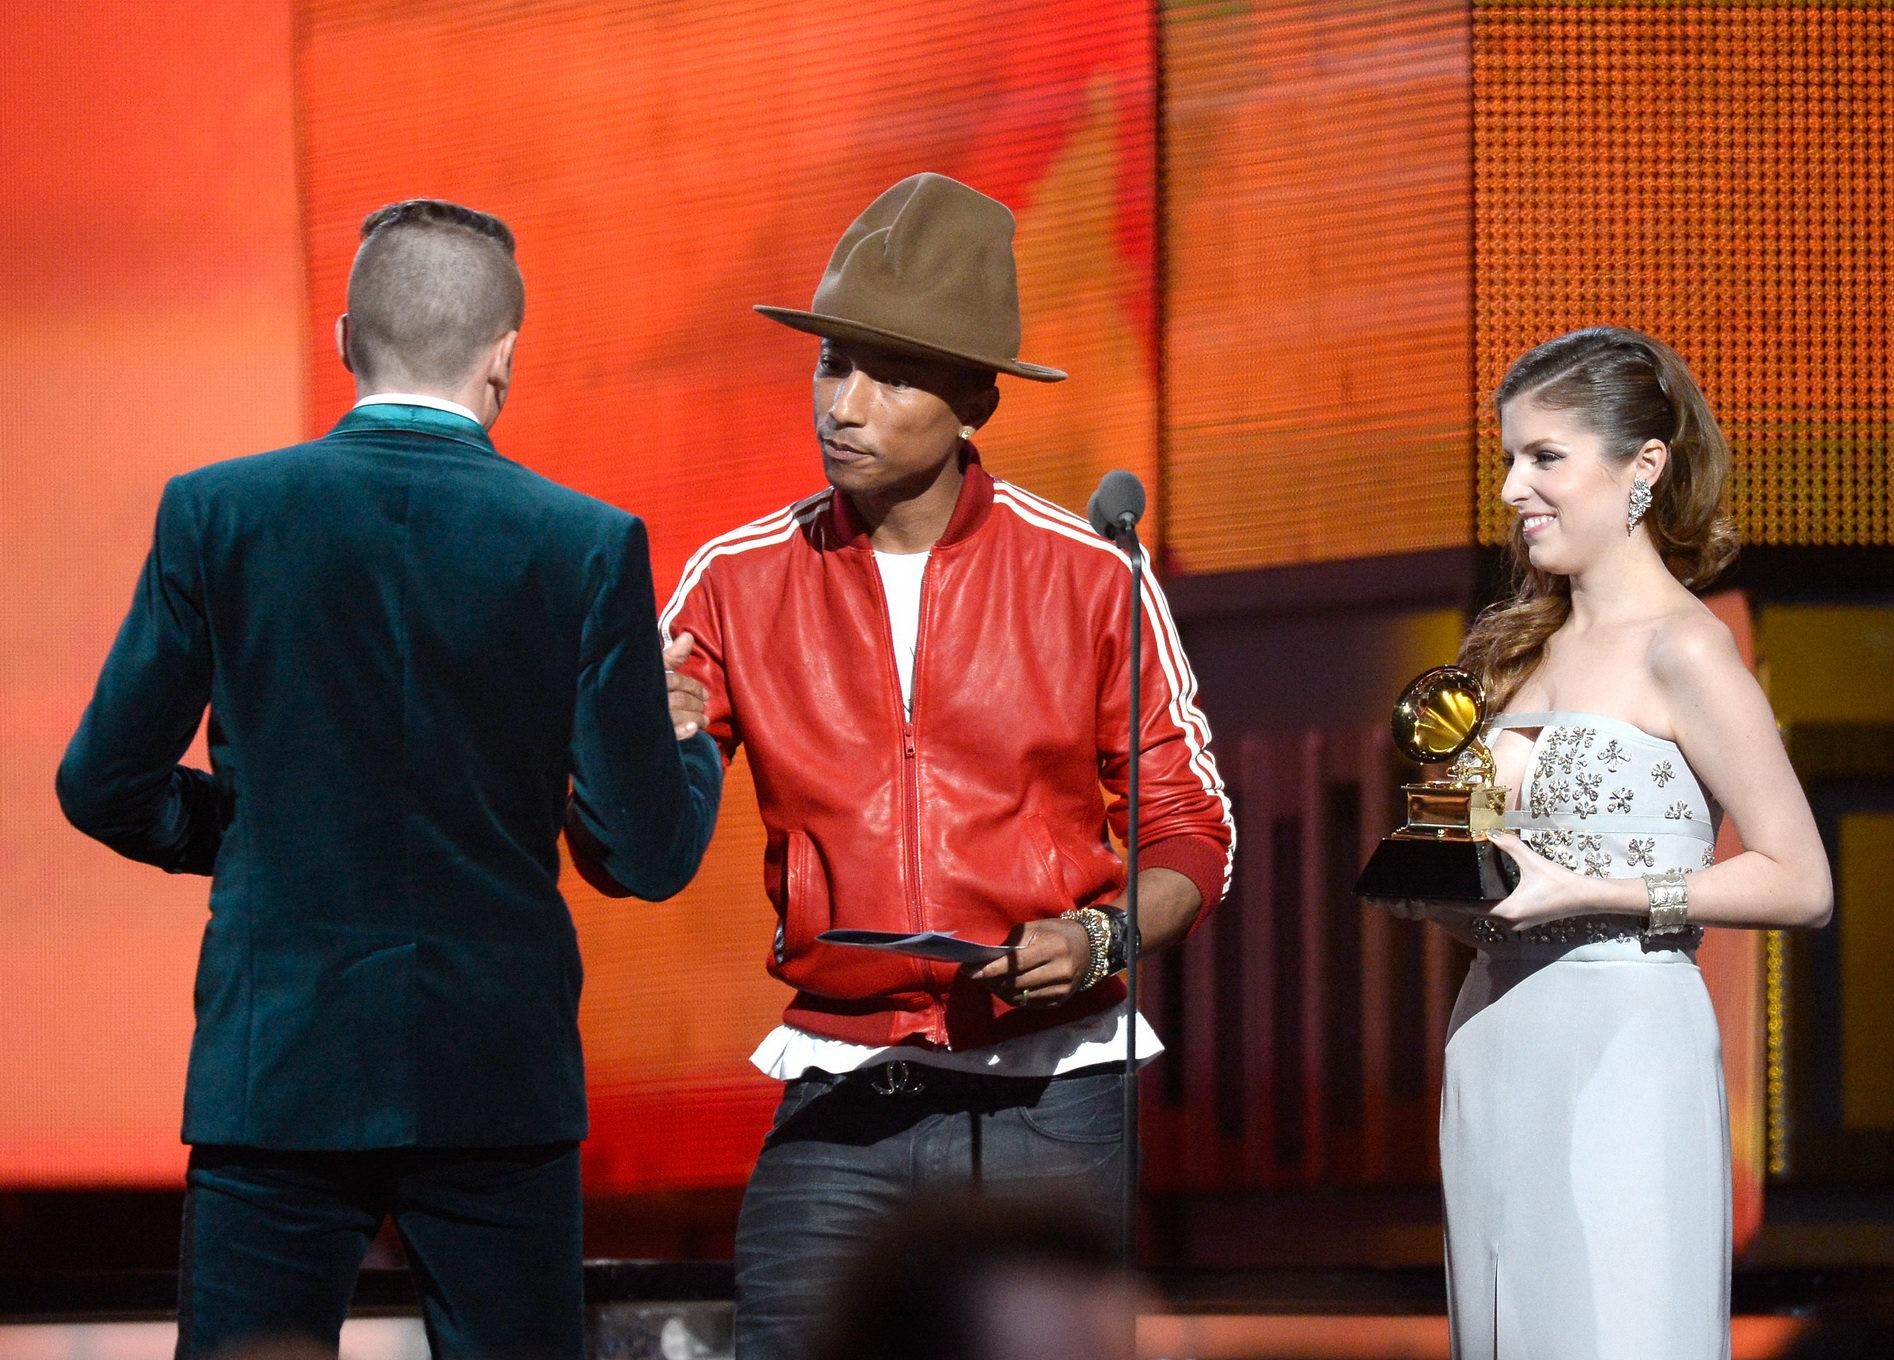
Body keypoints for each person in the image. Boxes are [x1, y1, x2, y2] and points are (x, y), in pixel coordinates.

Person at [56, 199, 722, 1360]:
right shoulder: (585, 543)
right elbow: (645, 856)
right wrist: (690, 741)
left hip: (279, 1071)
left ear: (343, 338)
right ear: (505, 354)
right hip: (497, 1082)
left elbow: (101, 781)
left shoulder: (219, 514)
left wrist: (248, 831)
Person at [596, 173, 1232, 1359]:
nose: (846, 401)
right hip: (842, 1088)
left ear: (975, 401)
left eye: (891, 374)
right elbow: (641, 840)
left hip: (1054, 1091)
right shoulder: (734, 580)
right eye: (833, 363)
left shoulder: (1090, 573)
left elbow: (1194, 829)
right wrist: (629, 730)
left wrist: (1096, 939)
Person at [1385, 326, 1831, 1358]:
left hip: (1624, 1043)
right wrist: (1450, 885)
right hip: (1495, 1032)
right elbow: (1508, 866)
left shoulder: (1686, 646)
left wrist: (1611, 896)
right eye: (1508, 457)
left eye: (1543, 456)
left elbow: (1800, 879)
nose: (1511, 488)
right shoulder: (1518, 649)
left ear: (1641, 469)